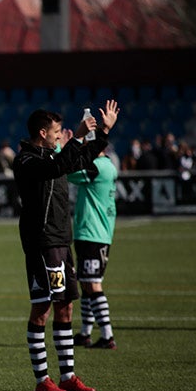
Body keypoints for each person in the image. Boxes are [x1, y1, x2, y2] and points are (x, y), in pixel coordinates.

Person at [13, 100, 119, 391]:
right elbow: (57, 166)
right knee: (42, 308)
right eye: (58, 132)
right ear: (43, 132)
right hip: (42, 243)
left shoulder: (53, 155)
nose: (61, 136)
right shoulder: (26, 160)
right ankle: (42, 379)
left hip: (62, 240)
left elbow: (83, 159)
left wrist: (103, 133)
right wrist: (77, 138)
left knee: (66, 305)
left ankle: (68, 376)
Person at [70, 149, 120, 350]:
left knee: (92, 283)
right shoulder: (107, 165)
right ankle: (85, 332)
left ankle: (107, 335)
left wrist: (60, 150)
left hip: (93, 232)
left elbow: (68, 173)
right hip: (94, 232)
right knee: (85, 282)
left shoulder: (96, 167)